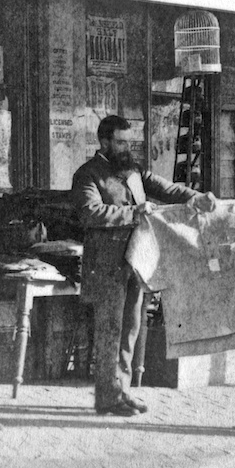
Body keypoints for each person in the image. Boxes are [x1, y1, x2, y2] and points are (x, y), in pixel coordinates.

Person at [73, 115, 202, 416]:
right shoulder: (88, 175)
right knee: (110, 329)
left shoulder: (133, 171)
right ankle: (107, 396)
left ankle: (124, 390)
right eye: (120, 141)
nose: (125, 147)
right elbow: (90, 212)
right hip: (105, 266)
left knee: (131, 327)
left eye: (128, 141)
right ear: (103, 142)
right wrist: (134, 212)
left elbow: (167, 189)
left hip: (136, 263)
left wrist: (198, 197)